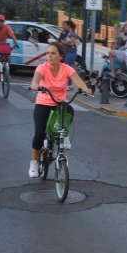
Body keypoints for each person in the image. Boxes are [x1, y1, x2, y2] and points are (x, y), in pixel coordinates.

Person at [28, 42, 93, 178]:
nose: (49, 56)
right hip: (43, 103)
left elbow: (77, 80)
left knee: (69, 109)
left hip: (59, 104)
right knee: (39, 134)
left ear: (61, 56)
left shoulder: (66, 68)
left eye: (53, 53)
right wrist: (35, 85)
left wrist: (85, 88)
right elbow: (36, 78)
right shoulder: (42, 67)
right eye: (48, 53)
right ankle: (34, 163)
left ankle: (64, 134)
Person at [58, 20, 80, 89]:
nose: (63, 26)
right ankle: (69, 85)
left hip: (71, 53)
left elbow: (72, 44)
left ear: (69, 26)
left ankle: (67, 84)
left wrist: (64, 42)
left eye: (65, 25)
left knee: (65, 68)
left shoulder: (72, 34)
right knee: (68, 68)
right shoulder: (67, 34)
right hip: (67, 53)